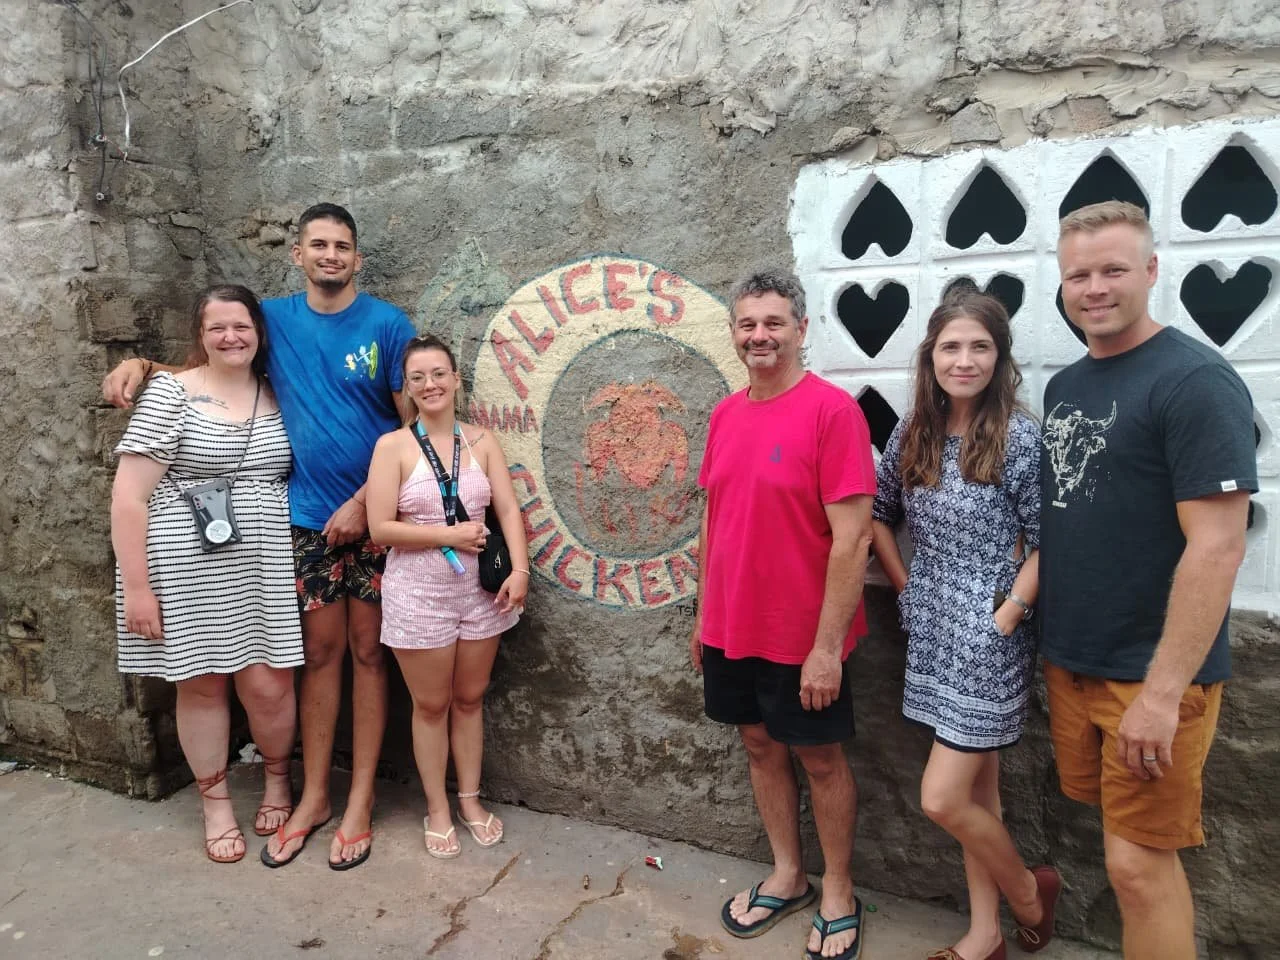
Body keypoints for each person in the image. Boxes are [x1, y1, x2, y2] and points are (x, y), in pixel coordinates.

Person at [102, 204, 418, 870]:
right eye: (317, 245)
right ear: (297, 255)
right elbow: (218, 351)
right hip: (303, 523)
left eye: (342, 246)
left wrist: (366, 500)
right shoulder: (271, 318)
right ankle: (311, 798)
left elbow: (411, 423)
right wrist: (140, 364)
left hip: (376, 519)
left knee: (368, 654)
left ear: (357, 258)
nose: (330, 255)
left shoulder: (388, 325)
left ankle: (358, 799)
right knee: (317, 657)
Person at [1041, 201, 1257, 960]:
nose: (1094, 288)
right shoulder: (1067, 386)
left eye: (1113, 270)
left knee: (1137, 866)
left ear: (1152, 271)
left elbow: (1218, 548)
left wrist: (1164, 695)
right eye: (1079, 274)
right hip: (1074, 662)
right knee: (1118, 850)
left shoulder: (1195, 381)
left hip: (1151, 676)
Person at [691, 270, 875, 960]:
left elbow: (853, 539)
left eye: (773, 323)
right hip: (732, 626)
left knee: (820, 758)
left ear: (801, 328)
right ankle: (789, 874)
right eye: (747, 324)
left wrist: (826, 649)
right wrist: (704, 615)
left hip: (803, 634)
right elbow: (713, 521)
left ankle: (838, 891)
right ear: (735, 333)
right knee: (760, 746)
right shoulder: (725, 414)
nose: (759, 336)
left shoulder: (833, 413)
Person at [870, 290, 1058, 960]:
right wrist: (906, 588)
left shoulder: (1020, 438)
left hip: (990, 639)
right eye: (952, 346)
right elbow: (877, 511)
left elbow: (1049, 540)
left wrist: (1005, 616)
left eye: (980, 346)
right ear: (932, 356)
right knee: (980, 797)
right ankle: (985, 937)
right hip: (932, 628)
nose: (965, 359)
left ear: (1000, 357)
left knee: (943, 799)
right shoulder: (912, 431)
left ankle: (1032, 894)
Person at [111, 284, 303, 864]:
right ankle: (215, 801)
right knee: (201, 682)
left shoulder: (277, 391)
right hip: (185, 566)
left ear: (258, 333)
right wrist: (138, 589)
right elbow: (127, 498)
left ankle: (276, 780)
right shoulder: (171, 394)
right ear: (200, 336)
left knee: (270, 682)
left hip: (263, 565)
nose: (230, 337)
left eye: (241, 326)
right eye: (217, 328)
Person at [365, 335, 530, 858]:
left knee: (469, 700)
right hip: (417, 594)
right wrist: (447, 536)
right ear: (408, 389)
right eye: (418, 378)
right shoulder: (393, 447)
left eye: (439, 374)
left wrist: (521, 569)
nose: (430, 385)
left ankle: (470, 799)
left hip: (479, 593)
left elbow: (506, 509)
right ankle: (437, 808)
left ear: (456, 380)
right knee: (431, 705)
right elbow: (379, 527)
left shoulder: (481, 442)